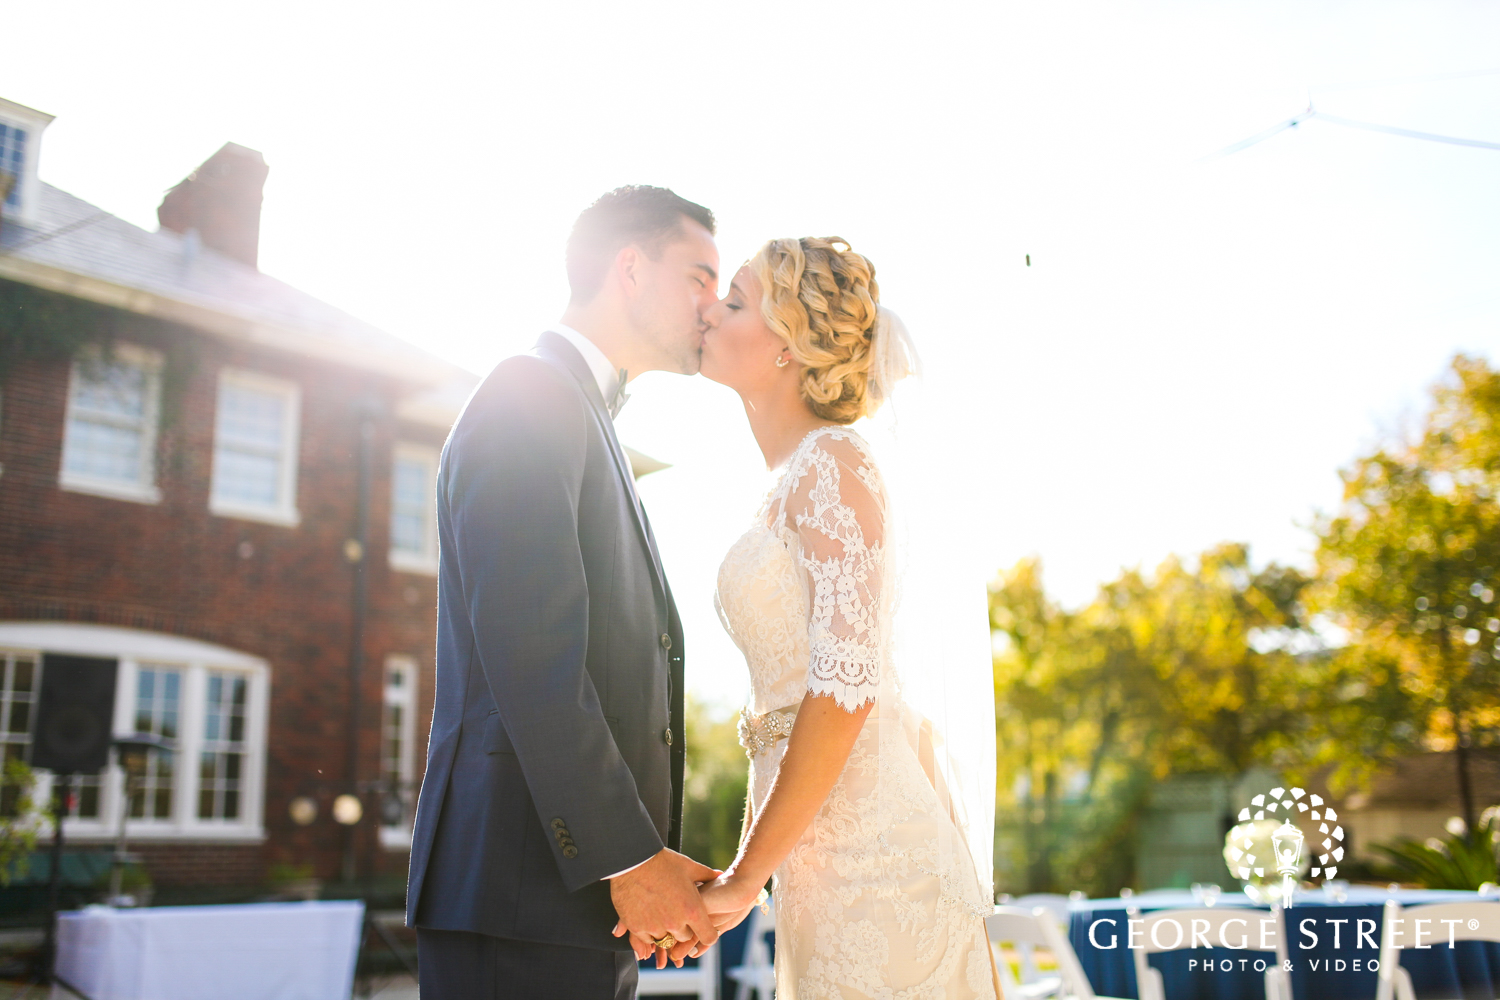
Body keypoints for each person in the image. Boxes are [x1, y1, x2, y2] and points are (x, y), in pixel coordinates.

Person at [406, 186, 725, 999]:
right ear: (629, 267)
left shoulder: (584, 416)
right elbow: (532, 654)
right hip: (519, 897)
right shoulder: (529, 394)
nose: (712, 306)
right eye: (698, 276)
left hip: (566, 903)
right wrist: (627, 855)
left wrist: (642, 858)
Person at [695, 237, 1000, 999]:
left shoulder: (833, 464)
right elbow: (782, 710)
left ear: (788, 348)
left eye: (734, 301)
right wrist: (752, 868)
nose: (709, 311)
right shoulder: (786, 483)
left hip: (882, 868)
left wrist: (743, 877)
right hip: (817, 870)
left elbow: (843, 689)